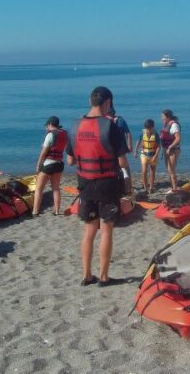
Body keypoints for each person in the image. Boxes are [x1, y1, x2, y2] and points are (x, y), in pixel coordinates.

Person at [65, 86, 131, 287]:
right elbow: (122, 162)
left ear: (90, 100)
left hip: (85, 184)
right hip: (108, 185)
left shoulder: (75, 126)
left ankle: (86, 275)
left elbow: (70, 161)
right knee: (107, 230)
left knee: (89, 230)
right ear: (108, 103)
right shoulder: (111, 127)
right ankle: (103, 277)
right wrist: (128, 188)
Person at [32, 116, 68, 216]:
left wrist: (39, 164)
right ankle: (56, 211)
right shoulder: (64, 133)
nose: (46, 127)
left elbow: (44, 152)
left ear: (50, 124)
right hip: (59, 164)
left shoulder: (50, 135)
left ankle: (35, 212)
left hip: (49, 164)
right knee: (56, 188)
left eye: (47, 125)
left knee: (39, 189)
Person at [134, 118, 159, 194]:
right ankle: (145, 188)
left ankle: (151, 187)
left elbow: (158, 146)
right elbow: (138, 141)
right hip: (144, 154)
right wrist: (136, 151)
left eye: (150, 128)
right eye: (147, 128)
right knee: (144, 171)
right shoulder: (142, 134)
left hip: (153, 155)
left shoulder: (156, 134)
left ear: (153, 127)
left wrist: (155, 156)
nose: (148, 130)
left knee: (152, 171)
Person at [159, 109, 181, 192]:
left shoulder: (174, 125)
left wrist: (170, 147)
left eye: (162, 116)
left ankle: (175, 189)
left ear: (167, 117)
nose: (161, 118)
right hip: (166, 150)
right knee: (169, 170)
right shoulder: (166, 124)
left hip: (173, 150)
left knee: (172, 170)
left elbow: (178, 139)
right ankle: (173, 187)